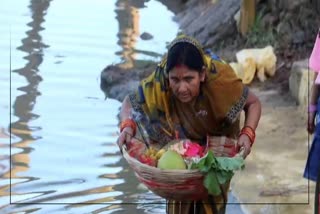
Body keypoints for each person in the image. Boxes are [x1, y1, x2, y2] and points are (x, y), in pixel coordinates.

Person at [117, 35, 261, 214]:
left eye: (188, 79)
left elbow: (253, 103)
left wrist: (247, 134)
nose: (182, 88)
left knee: (213, 199)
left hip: (219, 140)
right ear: (167, 76)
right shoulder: (160, 80)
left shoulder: (221, 81)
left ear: (201, 74)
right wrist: (127, 126)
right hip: (179, 145)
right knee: (177, 198)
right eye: (175, 80)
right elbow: (129, 103)